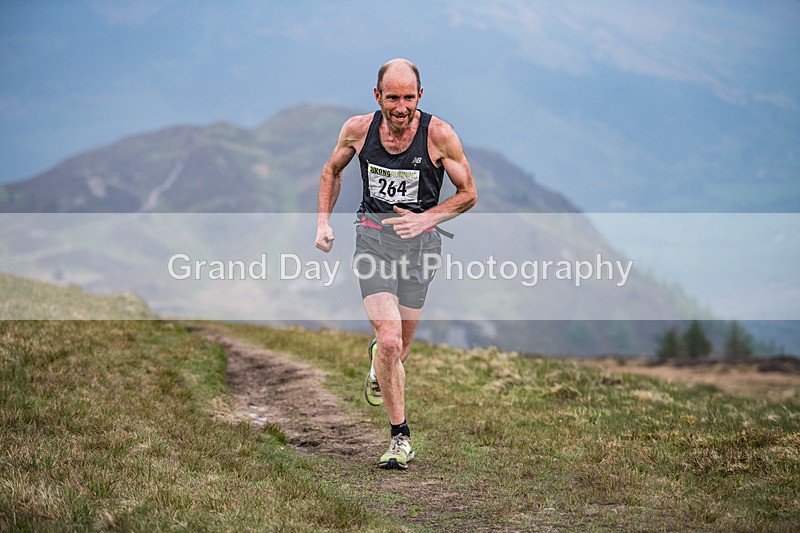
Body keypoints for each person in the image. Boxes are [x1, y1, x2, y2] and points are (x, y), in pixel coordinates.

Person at [315, 58, 477, 470]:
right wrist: (323, 223)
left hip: (421, 249)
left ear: (420, 96)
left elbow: (469, 193)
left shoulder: (439, 135)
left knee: (399, 349)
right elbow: (332, 170)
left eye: (408, 98)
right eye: (392, 98)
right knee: (388, 341)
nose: (401, 107)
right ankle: (400, 438)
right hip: (373, 242)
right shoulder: (358, 130)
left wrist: (426, 219)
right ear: (377, 96)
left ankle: (380, 362)